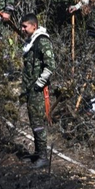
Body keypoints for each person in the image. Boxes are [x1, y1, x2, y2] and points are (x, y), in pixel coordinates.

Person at [21, 13, 55, 170]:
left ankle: (43, 157)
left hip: (38, 91)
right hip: (30, 89)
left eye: (25, 26)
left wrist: (39, 83)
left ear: (33, 26)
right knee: (33, 122)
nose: (22, 29)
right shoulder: (31, 42)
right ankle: (38, 152)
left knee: (38, 123)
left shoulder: (42, 41)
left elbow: (50, 65)